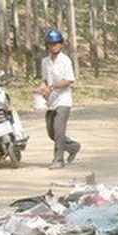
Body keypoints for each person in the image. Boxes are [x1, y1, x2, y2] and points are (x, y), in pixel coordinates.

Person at [37, 28, 81, 169]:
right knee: (51, 132)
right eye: (50, 44)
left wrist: (53, 87)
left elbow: (69, 80)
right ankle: (73, 147)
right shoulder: (45, 62)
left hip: (63, 100)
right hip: (51, 101)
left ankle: (58, 160)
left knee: (59, 129)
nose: (53, 46)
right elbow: (44, 79)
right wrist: (42, 89)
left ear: (61, 44)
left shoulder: (65, 60)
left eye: (56, 43)